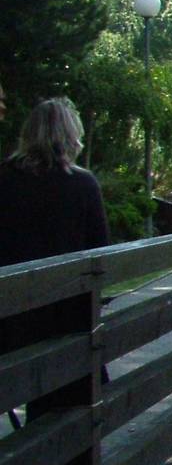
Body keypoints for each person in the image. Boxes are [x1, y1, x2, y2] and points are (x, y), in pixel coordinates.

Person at [0, 97, 111, 428]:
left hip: (13, 319)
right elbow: (100, 251)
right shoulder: (82, 184)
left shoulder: (3, 180)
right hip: (67, 317)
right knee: (73, 395)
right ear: (70, 135)